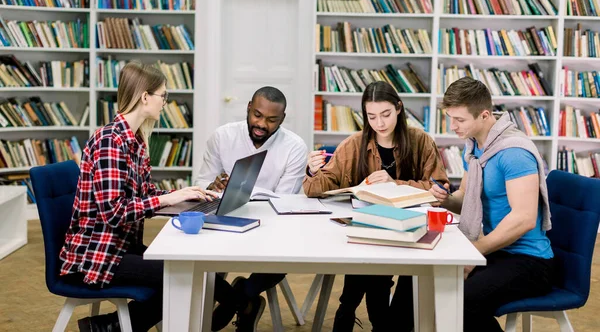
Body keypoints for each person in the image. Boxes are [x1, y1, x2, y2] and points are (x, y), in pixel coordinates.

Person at [59, 62, 218, 332]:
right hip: (99, 254)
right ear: (145, 97)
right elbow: (113, 212)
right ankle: (109, 327)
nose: (165, 103)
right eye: (163, 96)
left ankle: (108, 326)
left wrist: (184, 195)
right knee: (188, 276)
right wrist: (167, 200)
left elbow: (146, 196)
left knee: (195, 273)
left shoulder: (135, 141)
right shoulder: (110, 141)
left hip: (121, 249)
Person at [303, 81, 449, 332]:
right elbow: (315, 189)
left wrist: (397, 183)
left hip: (409, 229)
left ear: (399, 109)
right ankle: (377, 322)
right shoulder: (353, 144)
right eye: (371, 116)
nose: (379, 123)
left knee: (369, 263)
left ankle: (347, 312)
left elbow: (439, 189)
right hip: (364, 227)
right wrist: (312, 170)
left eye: (386, 114)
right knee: (371, 259)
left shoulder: (421, 141)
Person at [431, 77, 554, 332]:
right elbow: (464, 197)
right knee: (430, 280)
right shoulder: (476, 148)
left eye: (460, 120)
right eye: (450, 117)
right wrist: (445, 199)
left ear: (484, 115)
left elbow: (524, 218)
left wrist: (473, 253)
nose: (452, 126)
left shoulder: (514, 152)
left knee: (462, 301)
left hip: (530, 261)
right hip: (500, 250)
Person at [194, 86, 308, 331]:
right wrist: (212, 186)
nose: (261, 124)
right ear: (248, 107)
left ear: (282, 119)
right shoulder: (222, 136)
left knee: (288, 254)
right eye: (257, 115)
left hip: (271, 226)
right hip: (225, 221)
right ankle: (244, 303)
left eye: (271, 120)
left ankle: (241, 294)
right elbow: (201, 184)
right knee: (197, 261)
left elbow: (285, 200)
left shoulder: (295, 147)